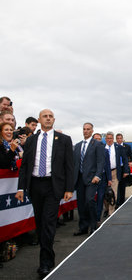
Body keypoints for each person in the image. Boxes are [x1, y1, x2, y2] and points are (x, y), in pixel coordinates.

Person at [15, 109, 74, 277]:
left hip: (52, 187)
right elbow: (25, 166)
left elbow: (69, 166)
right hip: (35, 185)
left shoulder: (64, 140)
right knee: (40, 223)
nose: (48, 119)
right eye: (45, 116)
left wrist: (69, 189)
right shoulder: (32, 140)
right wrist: (21, 188)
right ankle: (49, 255)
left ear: (53, 120)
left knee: (48, 223)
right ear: (39, 120)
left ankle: (45, 262)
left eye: (50, 116)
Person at [73, 123, 105, 235]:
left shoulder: (97, 144)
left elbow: (100, 161)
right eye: (84, 129)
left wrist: (97, 175)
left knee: (90, 200)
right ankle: (83, 227)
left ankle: (93, 225)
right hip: (79, 179)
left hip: (92, 178)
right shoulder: (77, 146)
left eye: (88, 129)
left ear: (92, 131)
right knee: (81, 203)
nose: (86, 131)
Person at [103, 131, 129, 216]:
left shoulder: (118, 147)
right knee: (104, 193)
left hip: (115, 172)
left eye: (111, 138)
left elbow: (125, 159)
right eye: (108, 138)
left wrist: (126, 170)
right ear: (105, 139)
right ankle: (106, 209)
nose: (109, 140)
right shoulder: (102, 148)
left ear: (113, 139)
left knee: (113, 193)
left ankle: (111, 212)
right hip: (104, 173)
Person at [92, 132, 111, 224]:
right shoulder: (88, 150)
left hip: (102, 178)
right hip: (90, 179)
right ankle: (90, 219)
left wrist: (109, 179)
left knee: (100, 199)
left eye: (99, 139)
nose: (97, 140)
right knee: (90, 200)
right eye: (95, 139)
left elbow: (107, 165)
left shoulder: (105, 151)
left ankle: (97, 219)